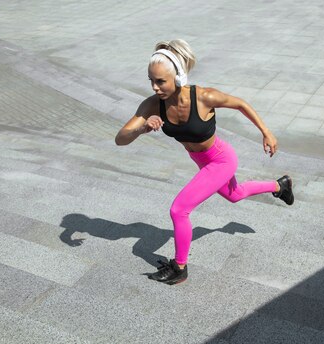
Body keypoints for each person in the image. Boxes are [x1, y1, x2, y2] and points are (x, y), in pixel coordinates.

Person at [115, 39, 293, 285]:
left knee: (179, 210)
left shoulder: (204, 97)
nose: (155, 87)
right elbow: (120, 139)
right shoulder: (153, 104)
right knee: (235, 194)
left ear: (178, 77)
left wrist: (266, 133)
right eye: (151, 81)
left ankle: (180, 268)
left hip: (221, 159)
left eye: (161, 81)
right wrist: (142, 129)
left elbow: (240, 104)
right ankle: (280, 186)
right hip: (202, 161)